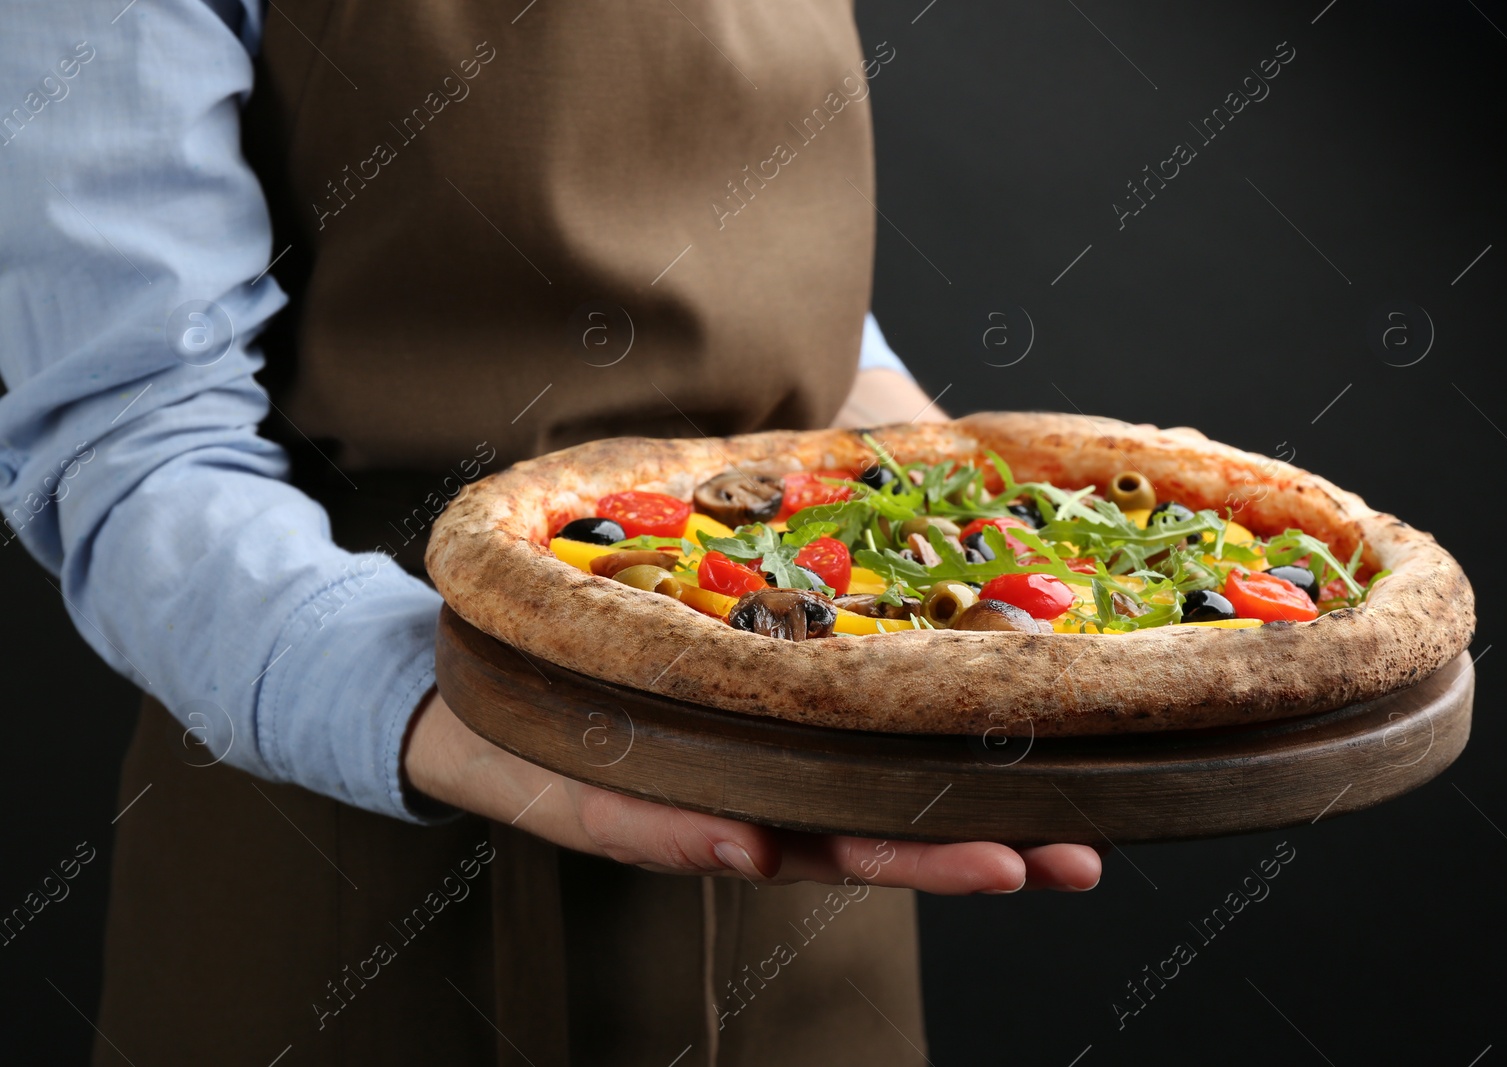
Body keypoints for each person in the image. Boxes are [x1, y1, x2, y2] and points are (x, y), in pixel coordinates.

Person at [0, 2, 1101, 1064]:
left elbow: (777, 294)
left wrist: (991, 526)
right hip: (349, 861)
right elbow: (133, 436)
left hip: (818, 865)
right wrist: (475, 705)